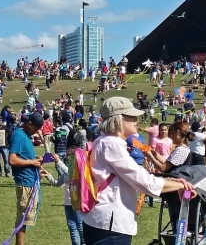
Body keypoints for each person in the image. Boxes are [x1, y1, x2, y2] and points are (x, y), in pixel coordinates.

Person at [82, 97, 196, 245]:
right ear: (118, 120)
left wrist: (175, 182)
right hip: (110, 226)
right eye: (131, 116)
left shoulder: (103, 142)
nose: (137, 120)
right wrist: (181, 184)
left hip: (102, 222)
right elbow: (145, 182)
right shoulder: (111, 144)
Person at [8, 113, 45, 245]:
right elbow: (12, 160)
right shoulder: (18, 135)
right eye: (35, 129)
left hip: (31, 182)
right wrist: (31, 162)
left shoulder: (25, 136)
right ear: (29, 124)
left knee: (26, 218)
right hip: (25, 183)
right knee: (23, 219)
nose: (36, 132)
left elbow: (22, 156)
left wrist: (35, 160)